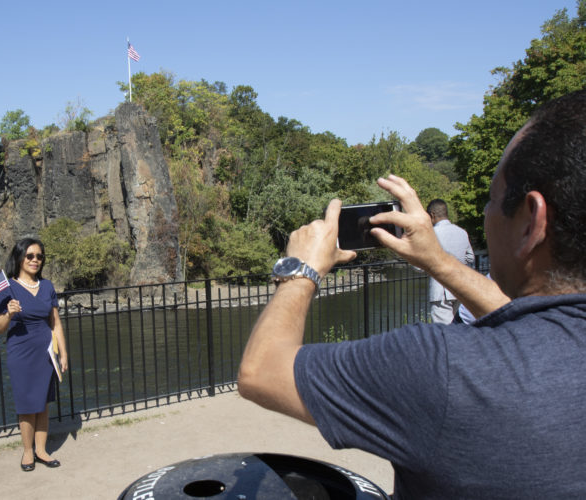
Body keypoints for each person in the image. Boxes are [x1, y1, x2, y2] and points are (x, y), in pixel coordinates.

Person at [238, 89, 586, 498]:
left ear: (532, 219)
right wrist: (436, 260)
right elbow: (533, 329)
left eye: (492, 200)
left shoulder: (444, 368)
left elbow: (261, 372)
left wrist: (301, 269)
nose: (487, 214)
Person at [0, 238, 68, 472]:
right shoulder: (6, 287)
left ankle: (42, 450)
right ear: (20, 258)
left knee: (43, 403)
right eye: (30, 256)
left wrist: (63, 353)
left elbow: (55, 323)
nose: (35, 260)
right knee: (26, 405)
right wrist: (9, 314)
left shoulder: (47, 286)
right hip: (21, 355)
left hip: (46, 354)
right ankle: (27, 452)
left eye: (39, 256)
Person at [425, 199, 474, 324]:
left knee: (443, 331)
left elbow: (420, 264)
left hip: (440, 290)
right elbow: (470, 257)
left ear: (432, 215)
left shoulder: (431, 234)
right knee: (459, 326)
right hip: (460, 287)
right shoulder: (462, 232)